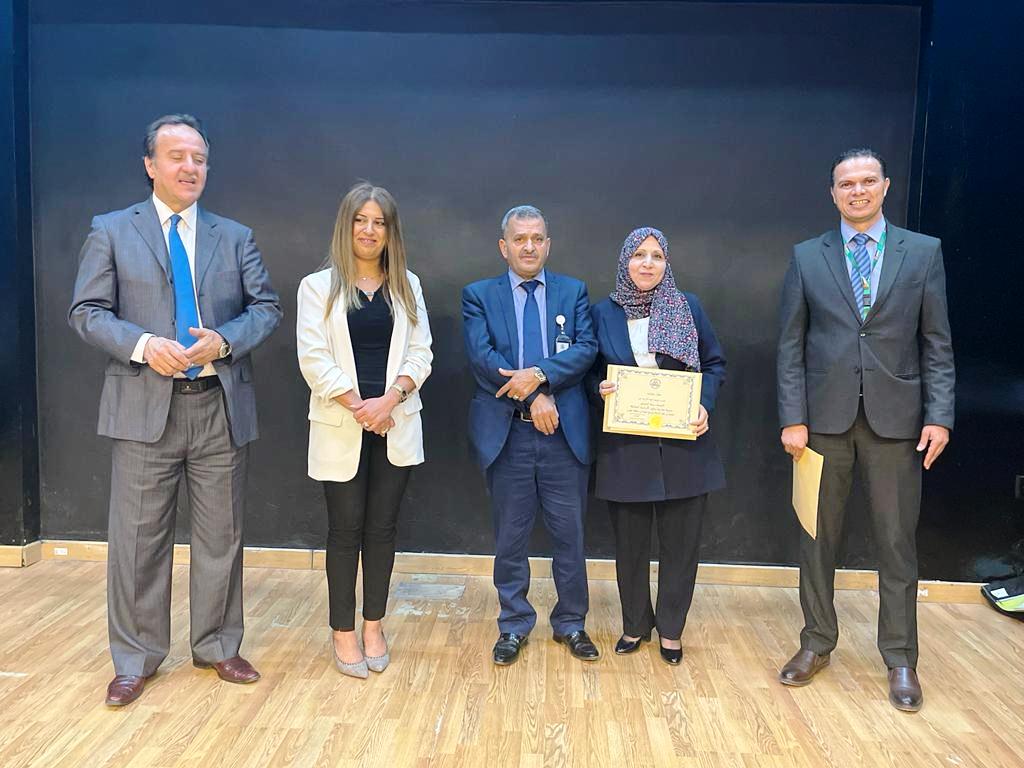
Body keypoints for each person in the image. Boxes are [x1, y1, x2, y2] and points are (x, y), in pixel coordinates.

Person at [68, 114, 282, 706]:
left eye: (199, 158)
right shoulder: (111, 230)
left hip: (218, 406)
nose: (190, 167)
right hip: (143, 407)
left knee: (222, 538)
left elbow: (266, 308)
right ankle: (135, 659)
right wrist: (142, 344)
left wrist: (225, 340)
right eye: (177, 156)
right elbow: (86, 311)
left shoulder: (234, 236)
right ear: (150, 165)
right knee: (137, 541)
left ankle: (218, 645)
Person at [776, 148, 955, 712]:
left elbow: (937, 343)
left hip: (897, 425)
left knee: (897, 543)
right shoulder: (807, 256)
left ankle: (900, 658)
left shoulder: (922, 252)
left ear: (885, 187)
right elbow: (790, 346)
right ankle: (816, 642)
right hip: (821, 425)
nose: (857, 191)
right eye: (846, 183)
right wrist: (792, 418)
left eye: (867, 181)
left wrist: (939, 416)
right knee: (816, 540)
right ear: (833, 193)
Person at [296, 183, 432, 679]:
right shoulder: (317, 287)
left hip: (395, 422)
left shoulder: (408, 285)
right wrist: (361, 407)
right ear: (346, 226)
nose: (370, 230)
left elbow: (422, 353)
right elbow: (314, 359)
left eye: (379, 222)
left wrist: (389, 400)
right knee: (344, 531)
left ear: (390, 232)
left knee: (382, 530)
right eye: (361, 220)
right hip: (343, 423)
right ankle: (343, 632)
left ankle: (374, 625)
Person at [462, 205, 599, 665]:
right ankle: (514, 624)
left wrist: (540, 375)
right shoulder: (478, 295)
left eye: (537, 238)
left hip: (563, 435)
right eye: (519, 239)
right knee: (510, 538)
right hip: (509, 435)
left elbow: (586, 349)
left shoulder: (573, 292)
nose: (529, 246)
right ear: (504, 247)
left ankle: (571, 623)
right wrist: (535, 399)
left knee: (570, 536)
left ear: (548, 245)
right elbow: (483, 359)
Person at [589, 227, 726, 665]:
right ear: (624, 261)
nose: (647, 263)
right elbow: (588, 371)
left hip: (684, 447)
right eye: (639, 255)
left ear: (667, 264)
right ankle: (634, 625)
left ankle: (671, 630)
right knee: (629, 546)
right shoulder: (601, 313)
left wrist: (704, 404)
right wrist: (600, 389)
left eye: (657, 256)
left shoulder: (688, 307)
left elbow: (715, 363)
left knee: (681, 546)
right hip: (625, 449)